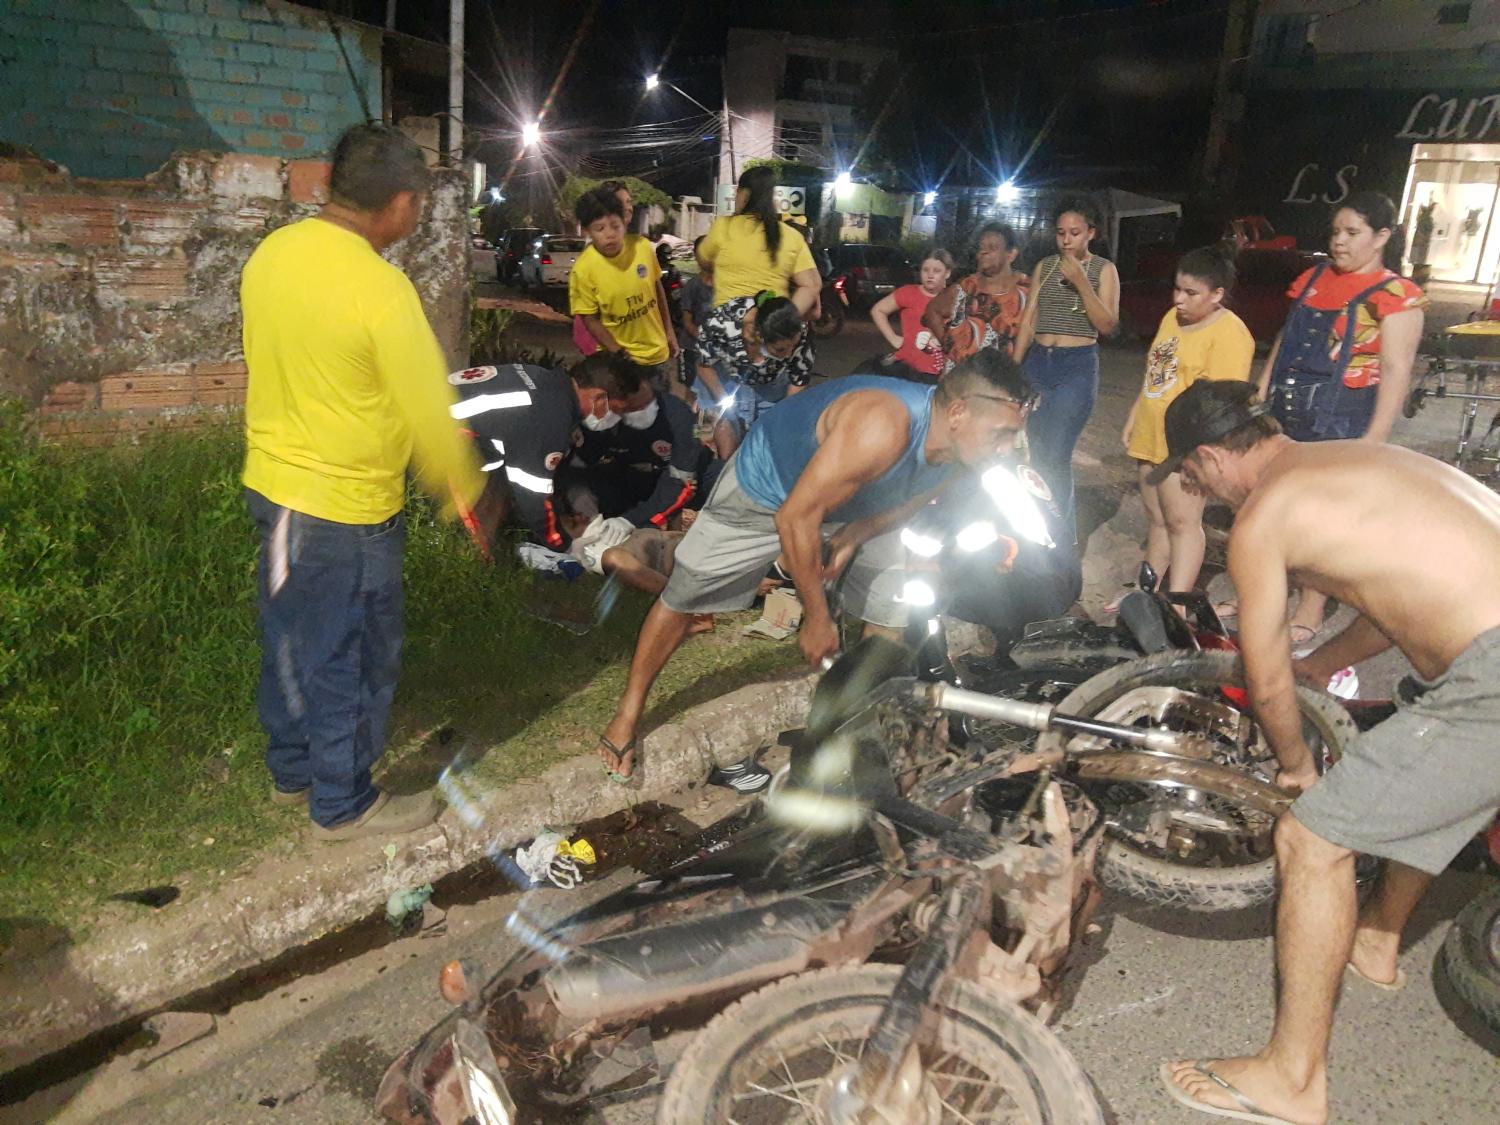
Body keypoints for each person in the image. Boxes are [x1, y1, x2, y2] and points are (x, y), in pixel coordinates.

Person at [1153, 379, 1500, 1125]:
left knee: (1313, 837)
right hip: (1481, 654)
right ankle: (1376, 939)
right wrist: (1326, 661)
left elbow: (1265, 672)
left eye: (1190, 476)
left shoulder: (1264, 516)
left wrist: (1296, 767)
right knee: (1415, 722)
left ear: (1212, 457)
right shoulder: (1351, 460)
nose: (1195, 492)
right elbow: (1390, 601)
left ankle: (1292, 1078)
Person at [594, 348, 1035, 786]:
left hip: (859, 500)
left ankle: (859, 730)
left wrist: (858, 533)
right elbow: (794, 517)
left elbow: (912, 500)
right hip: (768, 492)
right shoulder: (882, 424)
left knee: (890, 611)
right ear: (958, 411)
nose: (1008, 445)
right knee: (685, 595)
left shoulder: (965, 451)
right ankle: (627, 713)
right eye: (1001, 432)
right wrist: (816, 616)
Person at [241, 124, 499, 842]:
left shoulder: (272, 254)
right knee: (351, 655)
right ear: (401, 203)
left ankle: (294, 770)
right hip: (345, 508)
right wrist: (464, 494)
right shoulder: (380, 288)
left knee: (293, 636)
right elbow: (427, 409)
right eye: (416, 206)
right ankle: (344, 802)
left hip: (275, 489)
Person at [1255, 191, 1426, 646]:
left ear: (1382, 236)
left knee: (1320, 516)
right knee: (1279, 503)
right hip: (1287, 407)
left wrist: (1377, 436)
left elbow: (1395, 370)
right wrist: (1263, 387)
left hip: (1342, 417)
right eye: (1335, 232)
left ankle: (1310, 607)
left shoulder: (1396, 296)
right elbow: (1283, 340)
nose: (1340, 242)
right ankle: (1273, 593)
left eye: (1353, 233)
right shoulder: (1312, 279)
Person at [1114, 246, 1253, 609]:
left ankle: (1176, 604)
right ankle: (1146, 593)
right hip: (1151, 436)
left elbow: (1222, 403)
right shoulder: (1171, 319)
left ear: (1217, 294)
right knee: (1157, 520)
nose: (1179, 299)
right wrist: (1134, 416)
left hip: (1185, 446)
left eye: (1191, 293)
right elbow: (1156, 376)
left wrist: (1199, 457)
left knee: (1183, 524)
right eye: (1177, 289)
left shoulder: (1230, 333)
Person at [446, 356, 632, 551]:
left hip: (440, 417)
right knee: (474, 548)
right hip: (440, 439)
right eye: (615, 410)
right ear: (599, 397)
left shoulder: (542, 378)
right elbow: (533, 496)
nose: (611, 417)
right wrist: (562, 545)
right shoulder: (549, 418)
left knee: (498, 488)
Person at [1014, 197, 1120, 533]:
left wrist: (1080, 283)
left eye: (1075, 232)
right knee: (1034, 453)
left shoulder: (1104, 269)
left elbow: (1107, 325)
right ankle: (1032, 526)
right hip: (1038, 364)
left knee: (1057, 455)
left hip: (1075, 367)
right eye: (1061, 233)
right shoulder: (1044, 267)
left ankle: (1061, 536)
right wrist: (1014, 370)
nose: (1066, 240)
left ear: (1091, 233)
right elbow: (1029, 320)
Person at [575, 353, 717, 531]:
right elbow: (583, 463)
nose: (641, 410)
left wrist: (632, 520)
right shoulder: (607, 417)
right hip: (634, 478)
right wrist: (580, 499)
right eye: (633, 408)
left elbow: (682, 483)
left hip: (683, 478)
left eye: (646, 403)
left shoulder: (680, 417)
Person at [569, 187, 680, 393]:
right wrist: (619, 353)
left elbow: (657, 291)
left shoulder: (643, 247)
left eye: (615, 226)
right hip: (619, 364)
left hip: (657, 357)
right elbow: (589, 318)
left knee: (659, 418)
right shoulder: (584, 269)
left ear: (624, 222)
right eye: (600, 229)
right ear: (586, 231)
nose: (610, 235)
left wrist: (669, 332)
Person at [694, 292, 815, 457]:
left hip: (772, 383)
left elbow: (799, 378)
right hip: (723, 381)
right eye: (780, 350)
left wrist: (783, 417)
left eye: (792, 348)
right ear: (758, 335)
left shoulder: (797, 329)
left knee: (770, 444)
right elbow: (702, 365)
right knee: (711, 439)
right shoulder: (721, 323)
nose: (789, 355)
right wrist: (722, 407)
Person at [699, 165, 821, 316]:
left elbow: (703, 259)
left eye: (736, 192)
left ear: (743, 194)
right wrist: (784, 320)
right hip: (767, 331)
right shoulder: (791, 236)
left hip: (726, 328)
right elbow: (811, 285)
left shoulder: (723, 226)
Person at [924, 224, 1029, 370]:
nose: (983, 252)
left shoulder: (1027, 292)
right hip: (958, 381)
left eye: (992, 248)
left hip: (999, 384)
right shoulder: (965, 288)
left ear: (1011, 254)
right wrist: (949, 345)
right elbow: (931, 311)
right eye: (981, 247)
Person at [571, 180, 640, 358]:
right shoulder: (599, 249)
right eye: (621, 202)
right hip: (604, 342)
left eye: (629, 201)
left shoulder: (633, 243)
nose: (628, 207)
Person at [868, 248, 954, 381]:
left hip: (941, 373)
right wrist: (893, 338)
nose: (930, 275)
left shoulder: (954, 299)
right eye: (925, 270)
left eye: (937, 271)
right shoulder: (908, 293)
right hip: (908, 370)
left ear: (947, 273)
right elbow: (878, 310)